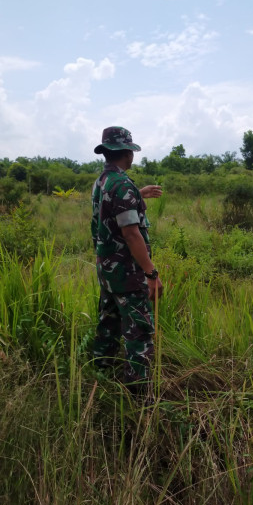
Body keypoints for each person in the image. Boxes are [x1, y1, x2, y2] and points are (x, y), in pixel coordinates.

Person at [91, 125, 163, 395]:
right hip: (127, 273)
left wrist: (138, 194)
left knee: (108, 324)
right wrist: (151, 272)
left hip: (107, 270)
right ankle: (138, 395)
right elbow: (132, 234)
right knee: (139, 333)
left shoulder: (102, 181)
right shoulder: (122, 185)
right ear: (126, 153)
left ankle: (99, 375)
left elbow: (112, 209)